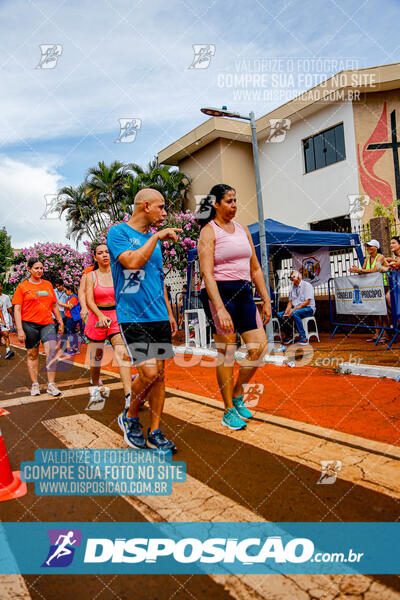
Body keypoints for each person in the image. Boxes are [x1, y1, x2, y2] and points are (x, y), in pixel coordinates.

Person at [107, 188, 179, 451]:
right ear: (145, 206)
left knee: (159, 375)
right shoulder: (118, 233)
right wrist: (157, 236)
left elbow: (158, 281)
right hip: (132, 315)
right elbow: (133, 262)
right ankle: (130, 416)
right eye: (161, 207)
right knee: (148, 371)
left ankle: (156, 430)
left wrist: (169, 313)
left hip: (158, 315)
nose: (164, 213)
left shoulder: (154, 241)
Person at [197, 184, 271, 431]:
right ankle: (228, 409)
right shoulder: (209, 231)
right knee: (227, 353)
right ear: (216, 204)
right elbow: (206, 273)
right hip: (219, 292)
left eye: (235, 200)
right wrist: (219, 308)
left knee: (259, 348)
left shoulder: (242, 230)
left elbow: (255, 268)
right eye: (229, 201)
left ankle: (238, 393)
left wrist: (266, 299)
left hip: (244, 292)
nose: (234, 205)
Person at [84, 243, 132, 409]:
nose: (104, 255)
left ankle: (129, 396)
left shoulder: (118, 274)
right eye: (100, 253)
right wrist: (100, 315)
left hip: (115, 317)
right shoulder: (91, 277)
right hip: (97, 317)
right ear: (95, 257)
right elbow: (89, 300)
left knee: (122, 354)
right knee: (96, 358)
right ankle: (95, 386)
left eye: (106, 252)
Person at [12, 258, 63, 396]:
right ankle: (35, 384)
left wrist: (60, 321)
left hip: (47, 323)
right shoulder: (22, 287)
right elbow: (17, 309)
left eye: (41, 268)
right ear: (29, 269)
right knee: (32, 354)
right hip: (29, 325)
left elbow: (53, 305)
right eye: (36, 268)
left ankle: (51, 385)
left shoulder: (47, 285)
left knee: (51, 351)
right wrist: (20, 329)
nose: (39, 270)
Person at [350, 239, 388, 342]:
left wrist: (361, 270)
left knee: (383, 311)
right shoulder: (367, 258)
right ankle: (377, 333)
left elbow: (376, 269)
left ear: (376, 247)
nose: (368, 248)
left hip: (382, 286)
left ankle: (385, 334)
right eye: (367, 246)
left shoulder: (381, 257)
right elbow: (362, 271)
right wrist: (356, 270)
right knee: (374, 311)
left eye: (370, 246)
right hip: (370, 287)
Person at [277, 270, 316, 346]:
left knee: (295, 313)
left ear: (298, 277)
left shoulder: (307, 285)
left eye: (293, 276)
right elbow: (290, 302)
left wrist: (293, 310)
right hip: (296, 309)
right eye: (290, 277)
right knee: (279, 315)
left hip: (308, 308)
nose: (291, 278)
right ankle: (289, 335)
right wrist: (286, 311)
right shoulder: (292, 287)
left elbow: (306, 302)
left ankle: (303, 337)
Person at [59, 284, 81, 354]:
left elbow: (70, 307)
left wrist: (60, 304)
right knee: (66, 332)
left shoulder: (74, 297)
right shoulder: (70, 297)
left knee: (70, 333)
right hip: (68, 317)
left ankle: (74, 349)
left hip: (71, 318)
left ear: (70, 290)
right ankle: (64, 348)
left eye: (66, 291)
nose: (65, 292)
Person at [0, 281, 15, 359]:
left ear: (1, 287)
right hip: (2, 319)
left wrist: (12, 317)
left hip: (5, 319)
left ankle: (8, 351)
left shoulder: (5, 297)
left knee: (6, 334)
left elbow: (9, 309)